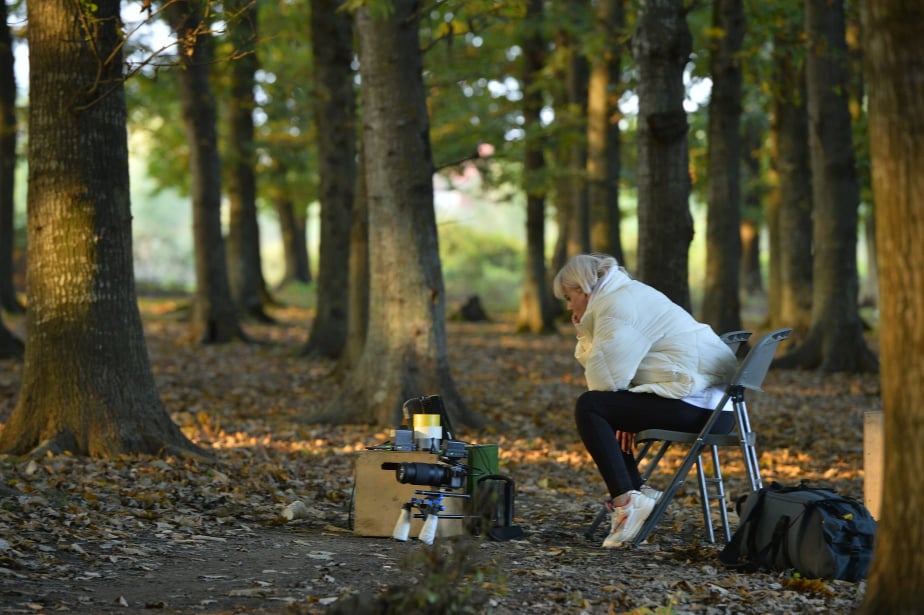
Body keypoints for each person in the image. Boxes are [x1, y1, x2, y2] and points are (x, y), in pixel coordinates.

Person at [553, 254, 737, 548]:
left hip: (698, 405)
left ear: (582, 288)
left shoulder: (615, 306)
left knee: (589, 406)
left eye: (568, 297)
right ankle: (637, 493)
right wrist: (624, 412)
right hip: (714, 405)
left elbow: (604, 381)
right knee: (605, 410)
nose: (568, 306)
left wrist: (582, 332)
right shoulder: (626, 294)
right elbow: (618, 377)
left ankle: (628, 500)